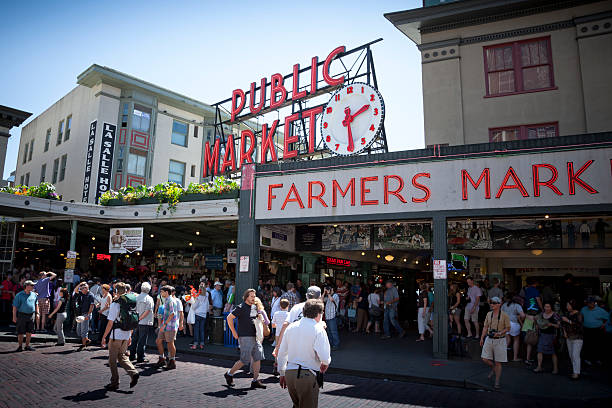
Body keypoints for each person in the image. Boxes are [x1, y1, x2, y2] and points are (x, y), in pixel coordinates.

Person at [277, 299, 331, 408]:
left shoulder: (291, 327)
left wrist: (282, 372)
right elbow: (325, 357)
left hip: (290, 373)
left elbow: (282, 352)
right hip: (306, 374)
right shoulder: (318, 329)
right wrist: (326, 363)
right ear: (319, 313)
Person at [224, 289, 267, 389]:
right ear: (246, 297)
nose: (253, 298)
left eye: (254, 296)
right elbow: (229, 318)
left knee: (258, 357)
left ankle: (255, 380)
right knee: (244, 360)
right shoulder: (240, 307)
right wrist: (234, 333)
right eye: (251, 296)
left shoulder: (254, 307)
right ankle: (229, 374)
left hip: (255, 336)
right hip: (245, 336)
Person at [100, 282, 139, 391]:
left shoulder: (115, 304)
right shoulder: (130, 304)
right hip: (126, 334)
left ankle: (115, 382)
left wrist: (104, 337)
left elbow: (110, 323)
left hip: (116, 335)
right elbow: (131, 320)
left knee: (112, 360)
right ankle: (133, 372)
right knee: (121, 356)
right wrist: (130, 335)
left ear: (116, 292)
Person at [274, 286, 323, 358]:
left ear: (306, 296)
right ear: (319, 297)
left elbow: (285, 325)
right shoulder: (318, 310)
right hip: (310, 348)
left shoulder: (297, 307)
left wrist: (278, 346)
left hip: (293, 344)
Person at [480, 296, 510, 389]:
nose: (491, 304)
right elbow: (485, 327)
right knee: (484, 358)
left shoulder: (504, 315)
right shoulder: (489, 314)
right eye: (491, 303)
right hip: (489, 338)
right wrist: (482, 337)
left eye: (493, 303)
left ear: (499, 304)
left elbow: (508, 328)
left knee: (498, 362)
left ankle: (497, 381)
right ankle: (493, 368)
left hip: (500, 340)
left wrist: (500, 332)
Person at [129, 282, 154, 363]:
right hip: (144, 321)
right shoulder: (149, 298)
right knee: (142, 340)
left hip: (136, 321)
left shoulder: (136, 297)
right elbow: (148, 310)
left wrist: (137, 318)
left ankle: (132, 355)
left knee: (134, 339)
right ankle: (140, 357)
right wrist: (140, 318)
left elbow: (133, 309)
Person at [580, 296, 608, 366]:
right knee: (588, 345)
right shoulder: (584, 309)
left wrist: (604, 324)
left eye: (591, 302)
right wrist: (580, 320)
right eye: (588, 303)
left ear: (594, 303)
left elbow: (609, 317)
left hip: (597, 330)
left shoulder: (600, 310)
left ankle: (597, 359)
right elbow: (580, 315)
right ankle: (588, 359)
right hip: (587, 329)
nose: (590, 304)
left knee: (597, 345)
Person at [533, 302, 560, 374]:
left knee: (553, 352)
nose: (546, 308)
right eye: (545, 306)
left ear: (551, 307)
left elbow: (558, 326)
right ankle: (539, 367)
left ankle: (555, 368)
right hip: (542, 335)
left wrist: (551, 324)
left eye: (548, 307)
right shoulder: (541, 314)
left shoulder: (555, 315)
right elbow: (535, 318)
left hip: (551, 336)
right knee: (539, 350)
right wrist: (537, 325)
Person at [155, 285, 178, 370]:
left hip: (170, 326)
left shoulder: (170, 300)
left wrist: (164, 324)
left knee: (170, 343)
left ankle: (172, 361)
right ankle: (162, 358)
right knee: (158, 341)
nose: (161, 293)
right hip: (165, 326)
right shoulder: (167, 300)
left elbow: (172, 313)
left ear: (166, 292)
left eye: (162, 291)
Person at [12, 280, 38, 352]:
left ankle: (27, 346)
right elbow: (15, 307)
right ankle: (20, 346)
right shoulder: (19, 295)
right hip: (22, 315)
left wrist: (37, 313)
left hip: (31, 315)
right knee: (20, 331)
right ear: (27, 286)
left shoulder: (34, 294)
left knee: (29, 331)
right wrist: (14, 316)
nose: (33, 286)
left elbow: (36, 304)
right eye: (32, 285)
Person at [561, 300, 583, 379]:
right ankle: (574, 370)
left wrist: (568, 320)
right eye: (567, 305)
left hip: (577, 337)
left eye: (568, 305)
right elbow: (563, 324)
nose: (567, 307)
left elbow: (579, 325)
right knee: (571, 355)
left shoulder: (579, 314)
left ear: (573, 305)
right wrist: (564, 332)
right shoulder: (567, 313)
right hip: (568, 337)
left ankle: (576, 373)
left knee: (575, 355)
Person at [501, 293, 525, 362]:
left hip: (505, 324)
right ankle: (515, 358)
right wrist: (521, 320)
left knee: (507, 340)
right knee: (516, 340)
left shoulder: (504, 305)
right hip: (514, 324)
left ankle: (501, 357)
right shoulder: (517, 305)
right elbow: (523, 315)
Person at [74, 281, 95, 350]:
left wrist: (88, 315)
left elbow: (91, 306)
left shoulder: (90, 295)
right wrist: (80, 284)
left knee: (84, 330)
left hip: (86, 314)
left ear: (86, 288)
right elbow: (75, 290)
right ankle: (87, 340)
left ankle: (83, 345)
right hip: (80, 314)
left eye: (82, 288)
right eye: (81, 288)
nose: (81, 290)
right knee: (78, 331)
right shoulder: (82, 294)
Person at [272, 298, 290, 374]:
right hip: (287, 334)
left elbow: (273, 325)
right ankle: (285, 367)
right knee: (287, 350)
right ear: (288, 306)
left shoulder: (276, 313)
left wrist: (278, 326)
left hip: (278, 334)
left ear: (280, 306)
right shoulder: (289, 314)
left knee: (277, 349)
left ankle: (276, 366)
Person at [191, 283, 209, 350]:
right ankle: (202, 344)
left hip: (197, 313)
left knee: (196, 329)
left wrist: (192, 306)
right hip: (204, 314)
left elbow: (195, 306)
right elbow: (207, 305)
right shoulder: (207, 295)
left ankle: (195, 344)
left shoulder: (198, 296)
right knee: (202, 329)